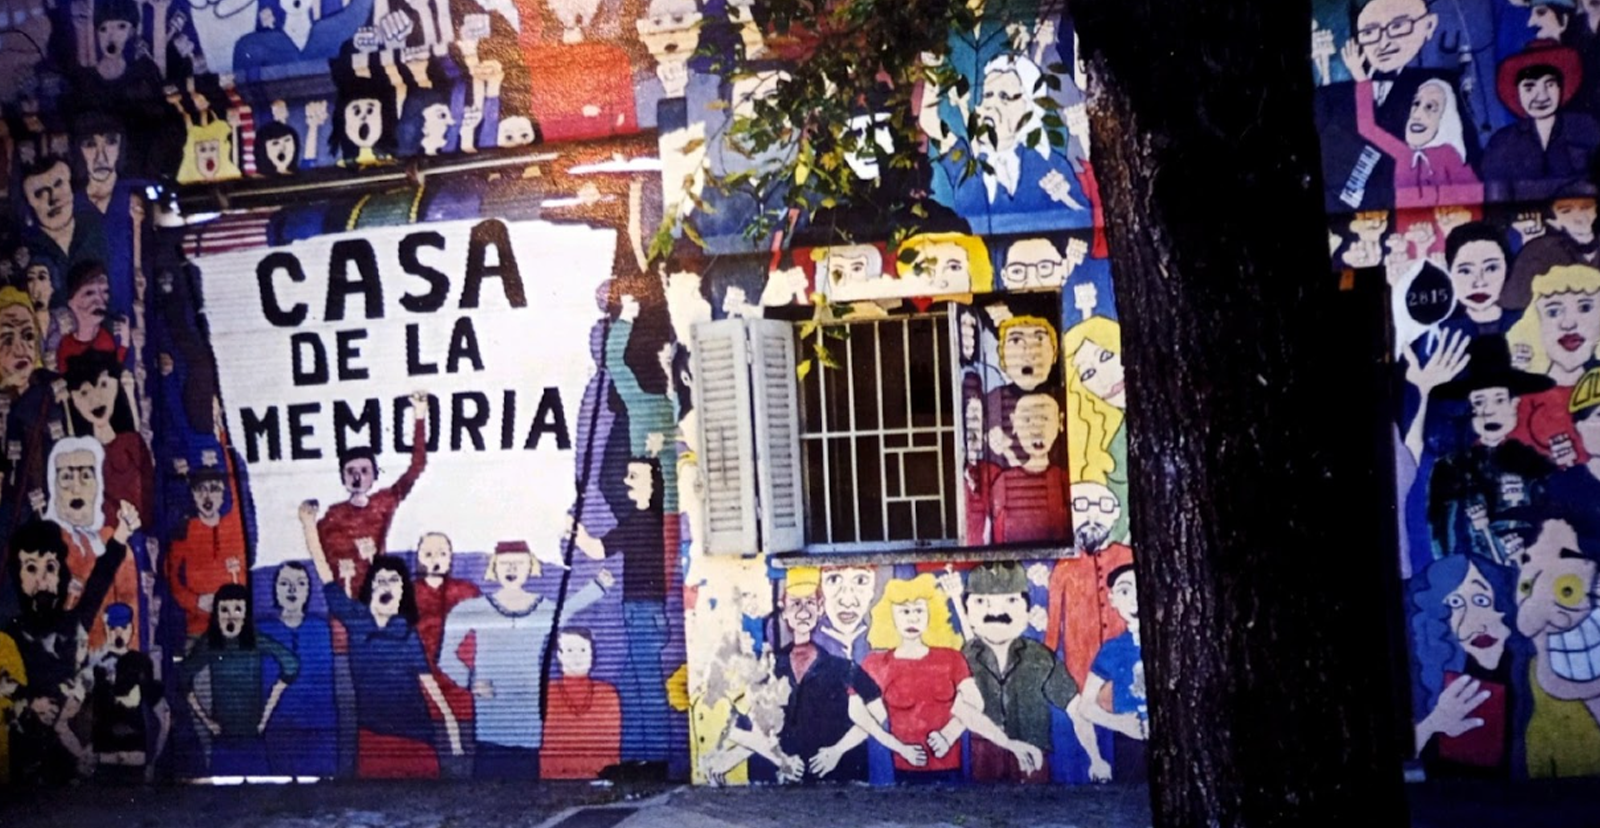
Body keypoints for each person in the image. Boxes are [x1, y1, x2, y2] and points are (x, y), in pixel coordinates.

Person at [301, 502, 462, 778]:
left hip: (416, 739)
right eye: (381, 581)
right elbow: (325, 575)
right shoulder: (356, 619)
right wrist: (308, 525)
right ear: (371, 588)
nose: (387, 586)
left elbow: (429, 686)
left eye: (394, 582)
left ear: (402, 594)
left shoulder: (407, 634)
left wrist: (452, 727)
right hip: (372, 738)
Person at [439, 540, 612, 778]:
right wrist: (469, 681)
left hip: (528, 723)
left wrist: (598, 585)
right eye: (505, 564)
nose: (512, 569)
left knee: (526, 784)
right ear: (493, 568)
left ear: (531, 567)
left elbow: (569, 608)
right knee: (487, 787)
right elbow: (445, 656)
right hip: (490, 724)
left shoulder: (543, 608)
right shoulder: (473, 609)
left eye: (519, 563)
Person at [856, 574, 1042, 784]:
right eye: (904, 611)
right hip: (904, 774)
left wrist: (950, 734)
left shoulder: (950, 658)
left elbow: (973, 706)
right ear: (890, 615)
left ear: (931, 612)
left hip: (951, 771)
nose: (912, 618)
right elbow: (861, 716)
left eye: (919, 610)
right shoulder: (877, 663)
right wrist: (899, 748)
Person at [947, 563, 1076, 783]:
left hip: (1033, 753)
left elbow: (1075, 706)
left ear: (1027, 610)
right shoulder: (966, 655)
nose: (996, 612)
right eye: (981, 601)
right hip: (984, 751)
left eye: (1011, 600)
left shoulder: (1039, 656)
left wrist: (1096, 757)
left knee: (1036, 800)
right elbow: (960, 707)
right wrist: (1007, 743)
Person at [1408, 555, 1527, 778]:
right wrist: (1433, 723)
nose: (1475, 623)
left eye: (1481, 600)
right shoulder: (1428, 672)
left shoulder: (1530, 667)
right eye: (1455, 603)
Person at [304, 391, 430, 597]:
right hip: (343, 600)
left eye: (364, 471)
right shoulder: (334, 515)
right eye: (351, 471)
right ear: (342, 477)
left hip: (378, 596)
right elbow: (319, 551)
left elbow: (417, 466)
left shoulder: (383, 502)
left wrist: (419, 415)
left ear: (375, 474)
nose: (357, 477)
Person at [181, 583, 297, 776]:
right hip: (223, 738)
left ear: (246, 614)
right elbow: (183, 676)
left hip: (253, 737)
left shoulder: (255, 640)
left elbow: (291, 663)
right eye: (224, 610)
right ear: (216, 614)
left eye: (237, 609)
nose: (231, 617)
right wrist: (208, 722)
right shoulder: (210, 643)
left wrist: (266, 715)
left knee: (260, 790)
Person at [1481, 39, 1600, 203]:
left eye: (1549, 85)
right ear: (1517, 92)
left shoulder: (1586, 128)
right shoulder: (1501, 142)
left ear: (1561, 87)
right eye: (1529, 87)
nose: (1541, 96)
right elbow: (1496, 203)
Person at [255, 562, 337, 777]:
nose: (292, 590)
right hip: (278, 728)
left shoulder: (321, 629)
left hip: (320, 729)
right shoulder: (262, 631)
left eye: (300, 583)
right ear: (275, 589)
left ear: (309, 590)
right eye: (285, 583)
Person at [1069, 565, 1147, 783]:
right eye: (1125, 591)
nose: (1134, 600)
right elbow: (1085, 706)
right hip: (1130, 742)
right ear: (1112, 599)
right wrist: (1120, 723)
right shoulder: (1113, 650)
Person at [90, 602, 171, 782]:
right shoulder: (96, 664)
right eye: (113, 628)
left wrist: (152, 758)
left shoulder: (140, 662)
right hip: (106, 755)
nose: (118, 634)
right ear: (106, 629)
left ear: (131, 629)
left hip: (135, 753)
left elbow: (161, 712)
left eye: (123, 628)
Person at [541, 627, 623, 779]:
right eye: (570, 650)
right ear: (559, 655)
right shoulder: (547, 692)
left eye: (583, 650)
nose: (577, 657)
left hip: (599, 780)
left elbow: (610, 747)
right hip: (554, 779)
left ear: (592, 654)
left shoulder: (607, 694)